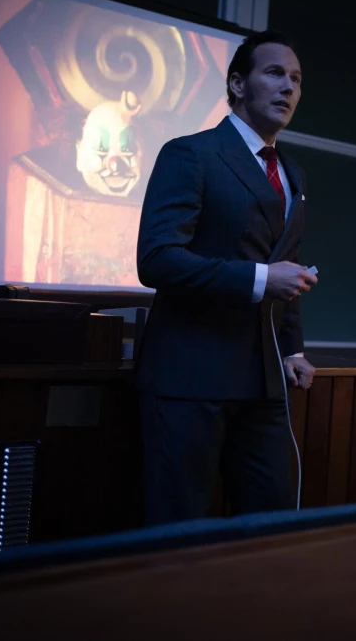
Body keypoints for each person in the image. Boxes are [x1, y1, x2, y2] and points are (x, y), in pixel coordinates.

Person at [134, 30, 318, 524]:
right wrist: (259, 280)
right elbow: (157, 259)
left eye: (297, 79)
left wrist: (292, 349)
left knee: (274, 527)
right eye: (275, 73)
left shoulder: (293, 173)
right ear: (237, 84)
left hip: (264, 381)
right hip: (190, 378)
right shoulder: (190, 154)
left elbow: (287, 266)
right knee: (178, 532)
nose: (289, 88)